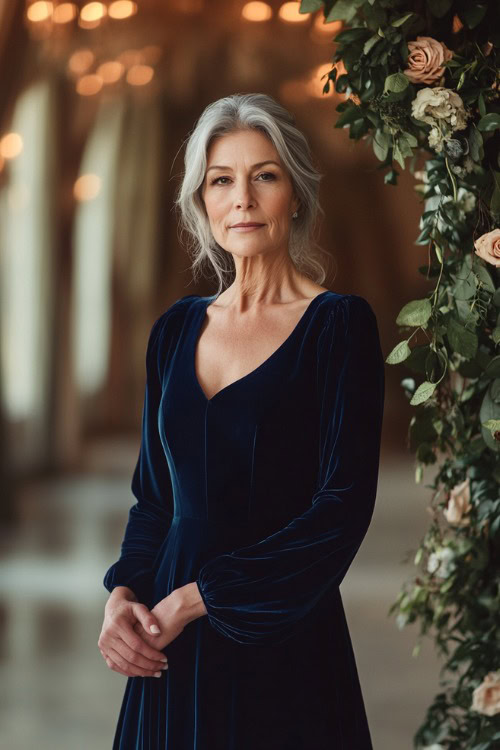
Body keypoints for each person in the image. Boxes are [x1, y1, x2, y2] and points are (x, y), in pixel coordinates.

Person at [98, 92, 385, 749]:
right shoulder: (174, 330)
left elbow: (340, 510)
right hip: (166, 638)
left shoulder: (339, 328)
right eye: (221, 180)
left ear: (296, 194)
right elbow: (155, 500)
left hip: (281, 633)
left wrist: (201, 598)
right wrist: (123, 596)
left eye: (265, 176)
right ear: (202, 202)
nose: (243, 199)